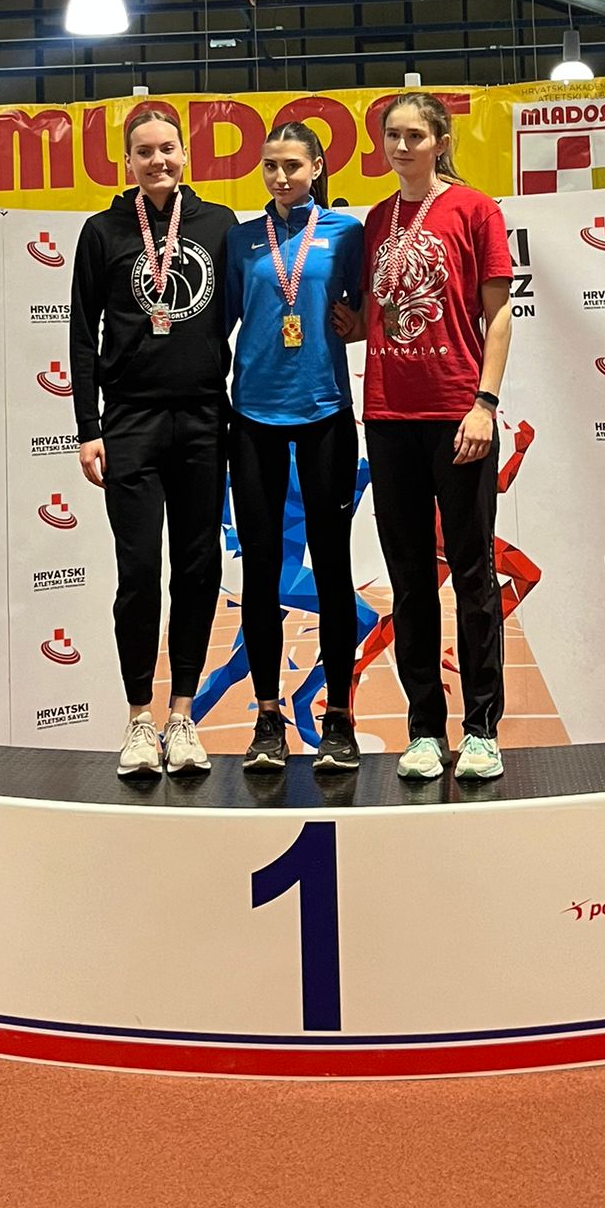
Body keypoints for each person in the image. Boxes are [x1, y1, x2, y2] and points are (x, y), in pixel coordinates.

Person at [334, 92, 513, 782]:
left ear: (440, 141)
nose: (401, 146)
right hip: (388, 418)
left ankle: (482, 730)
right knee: (409, 584)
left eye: (414, 135)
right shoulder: (377, 219)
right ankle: (424, 731)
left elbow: (498, 316)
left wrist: (484, 404)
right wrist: (343, 325)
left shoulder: (475, 209)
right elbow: (375, 315)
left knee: (472, 574)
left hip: (457, 416)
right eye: (392, 135)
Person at [70, 107, 237, 778]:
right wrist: (88, 428)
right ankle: (140, 719)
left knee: (198, 570)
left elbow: (250, 310)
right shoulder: (101, 231)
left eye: (168, 148)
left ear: (184, 153)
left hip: (204, 418)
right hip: (130, 421)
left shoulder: (219, 225)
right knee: (139, 572)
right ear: (128, 162)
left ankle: (183, 716)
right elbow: (82, 334)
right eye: (144, 152)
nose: (158, 160)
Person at [225, 122, 366, 774]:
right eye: (270, 166)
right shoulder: (240, 239)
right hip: (253, 419)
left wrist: (356, 324)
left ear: (316, 168)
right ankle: (266, 720)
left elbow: (370, 314)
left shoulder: (346, 233)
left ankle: (339, 719)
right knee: (260, 572)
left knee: (333, 568)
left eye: (292, 166)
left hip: (325, 414)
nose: (280, 177)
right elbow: (216, 322)